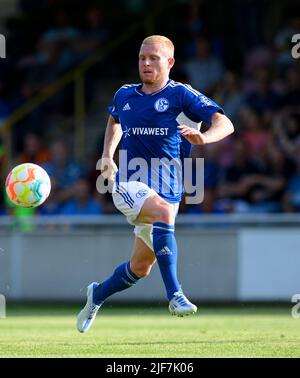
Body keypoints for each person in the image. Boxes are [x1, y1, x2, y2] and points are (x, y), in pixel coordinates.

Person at [77, 35, 234, 333]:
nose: (146, 63)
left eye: (154, 58)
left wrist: (205, 137)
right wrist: (108, 157)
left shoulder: (182, 96)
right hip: (129, 183)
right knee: (161, 212)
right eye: (141, 58)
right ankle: (175, 294)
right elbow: (115, 121)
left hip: (169, 190)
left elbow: (225, 123)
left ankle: (96, 294)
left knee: (140, 268)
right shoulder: (125, 94)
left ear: (170, 63)